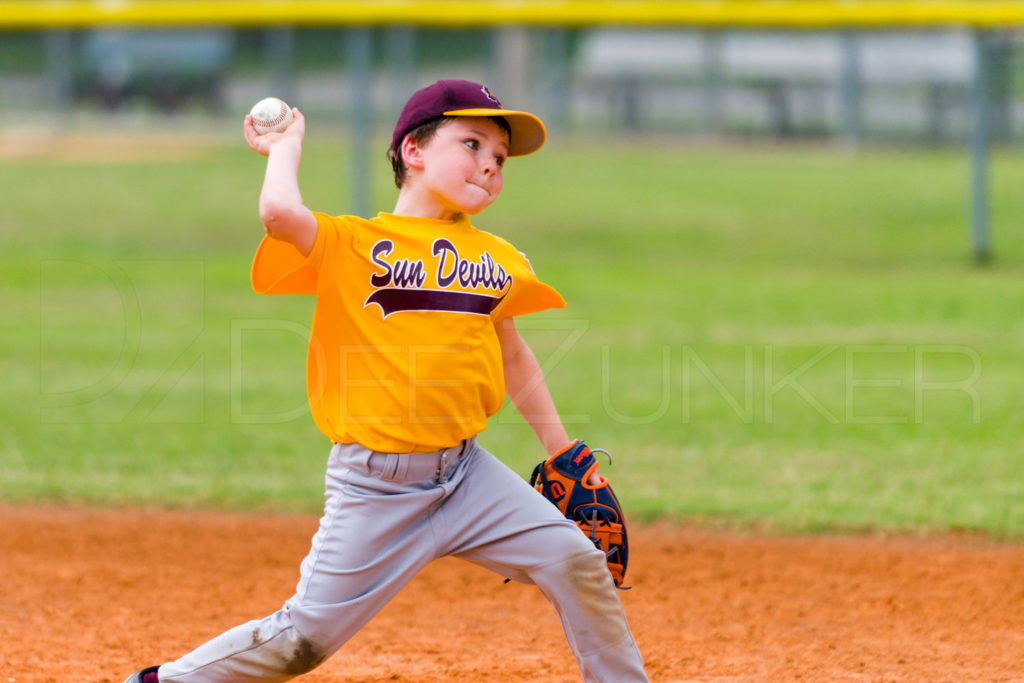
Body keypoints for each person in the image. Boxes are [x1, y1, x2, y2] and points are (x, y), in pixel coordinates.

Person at [124, 79, 647, 683]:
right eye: (472, 143)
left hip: (469, 475)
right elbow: (278, 214)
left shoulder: (497, 257)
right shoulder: (352, 242)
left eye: (500, 158)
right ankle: (163, 682)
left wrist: (563, 453)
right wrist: (286, 148)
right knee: (305, 637)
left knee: (577, 562)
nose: (490, 164)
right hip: (376, 486)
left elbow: (513, 355)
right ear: (413, 151)